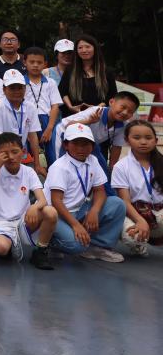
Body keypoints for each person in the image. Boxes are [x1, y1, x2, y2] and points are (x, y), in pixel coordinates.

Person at [45, 122, 126, 262]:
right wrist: (76, 225)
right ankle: (50, 242)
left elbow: (100, 190)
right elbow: (56, 201)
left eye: (86, 144)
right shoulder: (60, 167)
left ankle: (98, 246)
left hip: (79, 209)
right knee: (78, 246)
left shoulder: (93, 160)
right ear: (65, 145)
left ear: (93, 146)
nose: (81, 148)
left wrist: (94, 211)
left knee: (117, 204)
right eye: (75, 144)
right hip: (56, 213)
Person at [0, 132, 58, 269]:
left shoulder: (28, 171)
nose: (11, 157)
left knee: (50, 212)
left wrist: (34, 207)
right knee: (1, 248)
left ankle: (40, 251)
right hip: (1, 221)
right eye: (5, 154)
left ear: (22, 152)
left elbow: (42, 200)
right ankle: (7, 243)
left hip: (24, 220)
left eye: (15, 152)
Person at [112, 119, 163, 256]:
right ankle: (139, 243)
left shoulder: (161, 163)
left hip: (158, 212)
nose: (143, 142)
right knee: (132, 237)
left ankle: (155, 236)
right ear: (127, 140)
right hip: (134, 213)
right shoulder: (121, 167)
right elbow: (125, 201)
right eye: (137, 137)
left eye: (148, 138)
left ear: (156, 140)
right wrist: (140, 221)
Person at [59, 91, 141, 171]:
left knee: (102, 168)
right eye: (122, 107)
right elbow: (69, 125)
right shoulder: (95, 111)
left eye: (130, 111)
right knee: (63, 166)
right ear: (111, 102)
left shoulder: (124, 124)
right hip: (63, 135)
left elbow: (117, 147)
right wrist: (89, 121)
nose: (125, 112)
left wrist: (112, 169)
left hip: (91, 143)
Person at [0, 72, 44, 177]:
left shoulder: (30, 107)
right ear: (4, 89)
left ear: (25, 88)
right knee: (4, 176)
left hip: (18, 148)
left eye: (20, 88)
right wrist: (7, 159)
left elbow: (33, 136)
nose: (16, 91)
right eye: (12, 88)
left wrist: (37, 163)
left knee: (29, 174)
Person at [22, 46, 63, 166]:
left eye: (39, 62)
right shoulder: (20, 82)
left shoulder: (50, 82)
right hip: (26, 120)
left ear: (45, 64)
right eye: (32, 62)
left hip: (47, 120)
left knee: (52, 154)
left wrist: (50, 128)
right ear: (25, 62)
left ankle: (52, 174)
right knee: (27, 155)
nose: (35, 65)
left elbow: (55, 106)